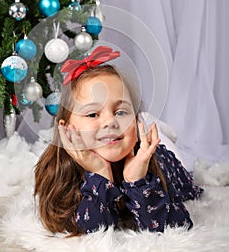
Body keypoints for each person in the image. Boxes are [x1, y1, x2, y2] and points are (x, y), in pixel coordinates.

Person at [34, 46, 203, 236]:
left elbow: (176, 228)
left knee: (165, 142)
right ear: (66, 129)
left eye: (121, 112)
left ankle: (157, 128)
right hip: (125, 137)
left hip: (153, 147)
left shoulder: (155, 163)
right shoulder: (57, 170)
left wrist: (137, 181)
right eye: (92, 114)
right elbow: (93, 232)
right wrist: (100, 174)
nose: (110, 122)